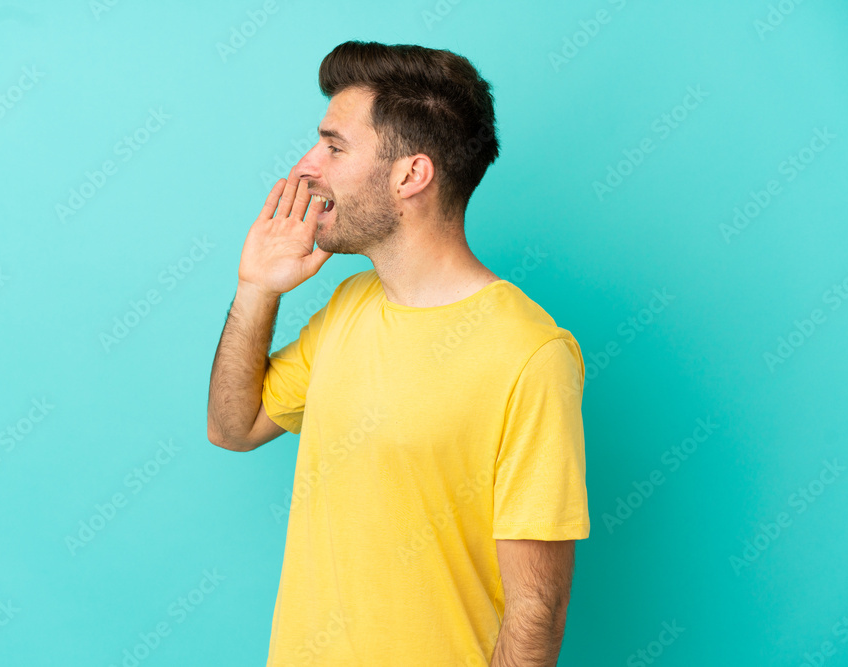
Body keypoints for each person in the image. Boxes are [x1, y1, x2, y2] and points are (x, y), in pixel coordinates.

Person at [207, 40, 589, 666]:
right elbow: (233, 427)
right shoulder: (350, 304)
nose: (305, 167)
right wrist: (256, 290)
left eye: (334, 147)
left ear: (411, 175)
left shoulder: (531, 355)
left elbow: (535, 612)